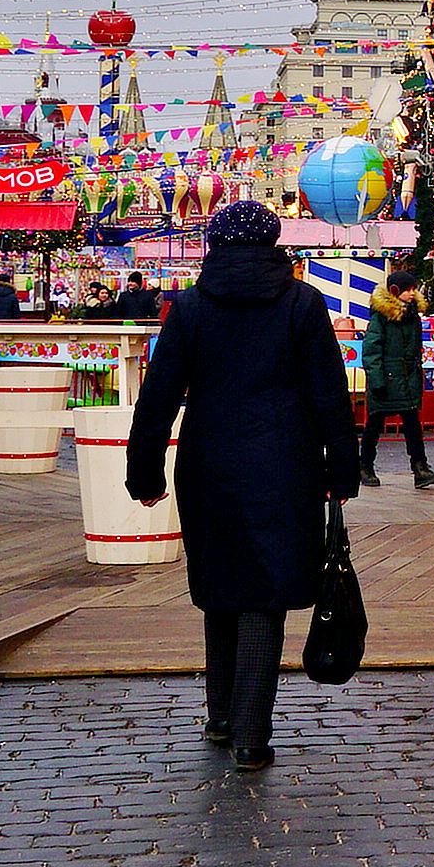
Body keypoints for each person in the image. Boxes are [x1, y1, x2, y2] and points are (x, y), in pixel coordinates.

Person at [126, 198, 360, 771]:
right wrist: (342, 470)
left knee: (220, 586)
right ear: (273, 241)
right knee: (265, 593)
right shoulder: (302, 304)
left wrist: (144, 472)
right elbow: (329, 394)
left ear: (215, 242)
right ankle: (252, 734)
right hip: (284, 466)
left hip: (208, 463)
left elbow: (158, 396)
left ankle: (221, 716)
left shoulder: (190, 308)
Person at [357, 282, 434, 491]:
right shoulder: (381, 316)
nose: (412, 293)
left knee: (412, 425)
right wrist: (377, 380)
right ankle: (365, 466)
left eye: (414, 289)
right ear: (396, 291)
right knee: (375, 424)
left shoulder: (412, 315)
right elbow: (371, 349)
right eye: (408, 289)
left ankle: (420, 468)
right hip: (388, 378)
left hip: (406, 378)